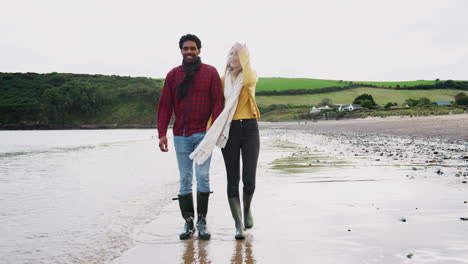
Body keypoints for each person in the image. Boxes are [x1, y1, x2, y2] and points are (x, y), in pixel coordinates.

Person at [189, 43, 260, 240]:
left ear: (245, 58)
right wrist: (209, 130)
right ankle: (238, 225)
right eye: (231, 55)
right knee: (232, 179)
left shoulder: (250, 77)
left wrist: (244, 52)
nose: (234, 58)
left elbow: (249, 78)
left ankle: (246, 211)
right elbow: (217, 107)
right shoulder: (222, 81)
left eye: (237, 55)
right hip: (229, 130)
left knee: (250, 180)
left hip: (250, 129)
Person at [157, 34, 223, 240]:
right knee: (185, 179)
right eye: (186, 49)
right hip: (181, 135)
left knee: (202, 176)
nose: (189, 52)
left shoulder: (210, 73)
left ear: (199, 50)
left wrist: (214, 131)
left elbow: (217, 103)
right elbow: (165, 106)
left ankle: (202, 222)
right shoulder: (173, 75)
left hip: (204, 135)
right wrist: (161, 134)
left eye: (193, 48)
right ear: (181, 51)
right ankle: (188, 223)